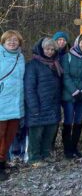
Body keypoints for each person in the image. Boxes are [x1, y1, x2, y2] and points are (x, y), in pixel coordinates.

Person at [24, 38, 62, 166]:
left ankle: (46, 154)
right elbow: (29, 88)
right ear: (41, 49)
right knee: (36, 133)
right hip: (38, 105)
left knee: (49, 131)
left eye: (52, 49)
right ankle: (34, 158)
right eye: (47, 49)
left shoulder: (55, 64)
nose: (50, 52)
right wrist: (33, 107)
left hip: (52, 105)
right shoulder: (32, 65)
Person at [61, 33, 82, 159]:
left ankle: (75, 147)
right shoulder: (67, 56)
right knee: (68, 120)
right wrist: (75, 91)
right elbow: (65, 75)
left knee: (78, 121)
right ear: (77, 42)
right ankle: (67, 148)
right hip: (70, 94)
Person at [0, 30, 25, 181]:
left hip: (16, 104)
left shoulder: (20, 57)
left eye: (15, 40)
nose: (12, 42)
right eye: (9, 40)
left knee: (9, 137)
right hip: (2, 103)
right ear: (3, 42)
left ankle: (3, 162)